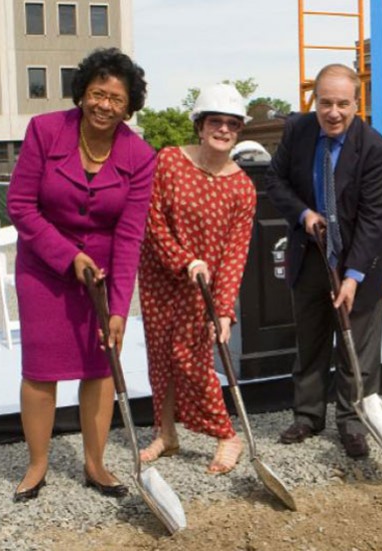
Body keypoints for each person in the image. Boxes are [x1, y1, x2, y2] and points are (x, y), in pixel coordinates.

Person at [7, 48, 156, 501]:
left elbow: (130, 236)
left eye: (116, 98)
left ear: (129, 106)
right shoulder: (45, 131)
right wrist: (66, 255)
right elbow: (20, 206)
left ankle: (96, 464)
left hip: (103, 277)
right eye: (97, 93)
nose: (105, 105)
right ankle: (37, 466)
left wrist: (118, 307)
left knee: (99, 367)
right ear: (82, 94)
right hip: (44, 269)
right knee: (41, 369)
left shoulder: (141, 155)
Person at [265, 64, 382, 458]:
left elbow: (374, 219)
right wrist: (303, 214)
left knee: (357, 350)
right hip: (311, 256)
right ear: (314, 101)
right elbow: (275, 181)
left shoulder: (373, 147)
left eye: (342, 104)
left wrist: (352, 277)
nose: (333, 112)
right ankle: (308, 414)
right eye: (325, 103)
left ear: (358, 103)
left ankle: (353, 422)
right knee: (311, 339)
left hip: (358, 263)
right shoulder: (298, 132)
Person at [137, 84, 256, 474]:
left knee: (193, 360)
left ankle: (227, 435)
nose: (223, 129)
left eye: (232, 124)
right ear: (200, 126)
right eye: (215, 122)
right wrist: (184, 260)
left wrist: (223, 310)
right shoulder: (169, 161)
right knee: (161, 358)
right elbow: (152, 221)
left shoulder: (242, 187)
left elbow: (237, 253)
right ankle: (166, 432)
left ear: (239, 130)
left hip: (203, 288)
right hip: (161, 274)